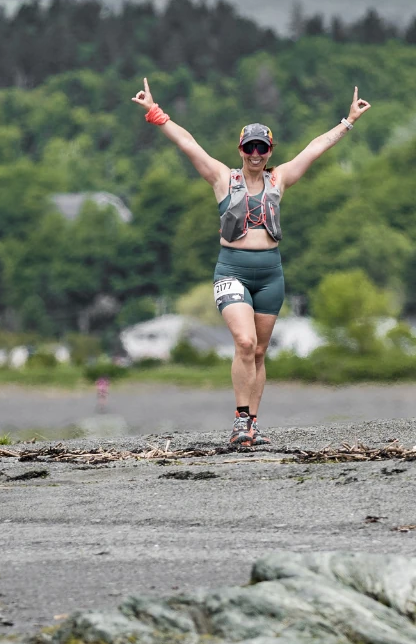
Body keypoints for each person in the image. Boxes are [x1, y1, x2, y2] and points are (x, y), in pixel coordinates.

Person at [132, 77, 370, 446]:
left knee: (259, 351)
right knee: (244, 343)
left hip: (270, 274)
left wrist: (349, 121)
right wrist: (155, 113)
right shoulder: (222, 179)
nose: (255, 154)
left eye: (262, 147)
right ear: (241, 150)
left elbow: (315, 147)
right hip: (232, 269)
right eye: (249, 148)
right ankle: (240, 421)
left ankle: (252, 426)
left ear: (270, 150)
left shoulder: (281, 179)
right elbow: (188, 143)